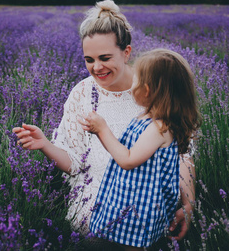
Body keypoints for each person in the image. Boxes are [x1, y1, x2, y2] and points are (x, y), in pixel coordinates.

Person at [12, 0, 196, 245]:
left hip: (147, 203)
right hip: (96, 202)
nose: (96, 67)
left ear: (126, 52)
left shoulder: (152, 92)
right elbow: (75, 164)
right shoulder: (81, 94)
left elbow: (182, 154)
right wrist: (45, 144)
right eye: (89, 59)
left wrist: (188, 204)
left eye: (105, 57)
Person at [78, 49, 201, 250]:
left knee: (132, 246)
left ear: (146, 90)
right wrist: (98, 133)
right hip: (128, 196)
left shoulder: (159, 129)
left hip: (140, 207)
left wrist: (103, 129)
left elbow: (127, 160)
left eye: (136, 79)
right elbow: (123, 149)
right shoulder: (147, 118)